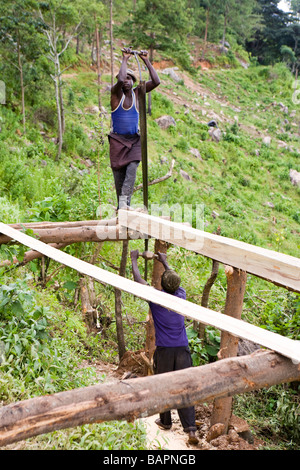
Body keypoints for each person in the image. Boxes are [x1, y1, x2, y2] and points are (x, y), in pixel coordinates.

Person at [130, 249, 199, 446]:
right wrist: (165, 261)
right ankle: (191, 429)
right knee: (185, 387)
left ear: (161, 283)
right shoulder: (181, 295)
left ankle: (166, 421)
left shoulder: (156, 299)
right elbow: (174, 281)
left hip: (165, 350)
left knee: (164, 385)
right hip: (182, 349)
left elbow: (138, 281)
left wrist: (134, 259)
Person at [109, 48, 160, 210]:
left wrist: (146, 60)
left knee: (132, 170)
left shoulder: (138, 94)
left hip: (133, 141)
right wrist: (124, 59)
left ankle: (124, 204)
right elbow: (120, 79)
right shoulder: (116, 95)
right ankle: (122, 209)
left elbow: (156, 81)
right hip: (117, 142)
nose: (126, 81)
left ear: (134, 82)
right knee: (119, 179)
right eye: (124, 78)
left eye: (130, 79)